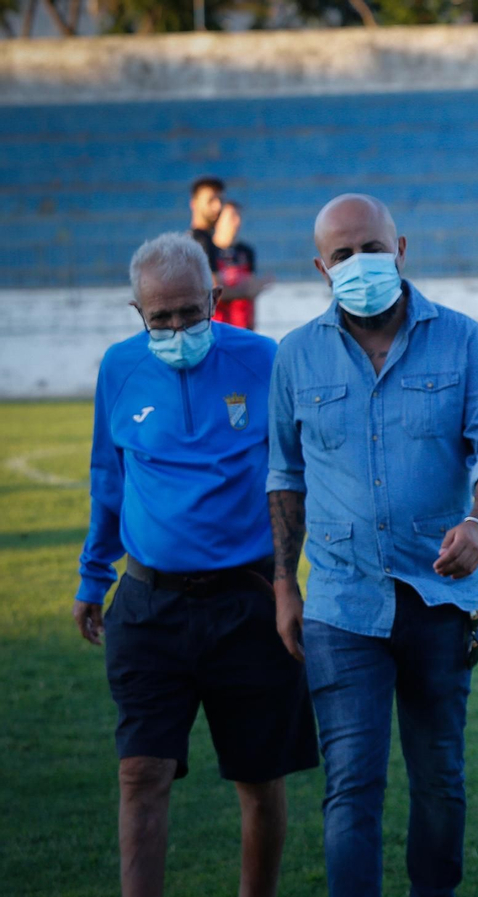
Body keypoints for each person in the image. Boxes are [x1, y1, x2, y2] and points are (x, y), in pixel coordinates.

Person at [266, 194, 478, 896]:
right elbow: (285, 476)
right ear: (320, 265)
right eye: (342, 254)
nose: (359, 264)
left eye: (371, 248)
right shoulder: (294, 356)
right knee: (351, 782)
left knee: (440, 777)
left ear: (400, 249)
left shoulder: (462, 338)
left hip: (438, 598)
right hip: (342, 603)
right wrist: (285, 582)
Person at [72, 232, 317, 897]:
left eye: (190, 311)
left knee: (259, 784)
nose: (177, 328)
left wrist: (286, 581)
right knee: (139, 774)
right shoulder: (119, 369)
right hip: (150, 605)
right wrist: (94, 575)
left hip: (250, 604)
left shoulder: (264, 360)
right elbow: (107, 476)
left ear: (215, 297)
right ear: (137, 312)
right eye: (161, 317)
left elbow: (293, 474)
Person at [211, 201, 274, 331]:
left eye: (239, 217)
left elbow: (251, 292)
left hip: (244, 328)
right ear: (217, 220)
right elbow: (213, 291)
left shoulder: (246, 251)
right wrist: (249, 289)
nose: (237, 222)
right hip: (218, 329)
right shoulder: (209, 251)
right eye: (232, 217)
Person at [189, 176, 225, 272]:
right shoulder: (200, 243)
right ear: (194, 203)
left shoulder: (209, 241)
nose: (218, 207)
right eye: (210, 200)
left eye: (221, 200)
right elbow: (213, 285)